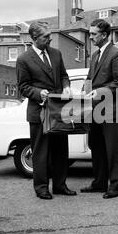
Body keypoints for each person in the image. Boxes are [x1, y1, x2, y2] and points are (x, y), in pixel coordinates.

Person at [16, 21, 76, 200]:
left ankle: (60, 185)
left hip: (58, 111)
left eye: (50, 36)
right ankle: (41, 188)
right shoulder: (24, 59)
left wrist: (66, 87)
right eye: (46, 37)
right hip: (39, 112)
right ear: (34, 38)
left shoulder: (56, 54)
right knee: (41, 152)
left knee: (60, 150)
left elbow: (64, 76)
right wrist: (38, 93)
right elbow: (23, 86)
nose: (50, 39)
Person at [80, 19, 118, 199]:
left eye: (93, 34)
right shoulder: (95, 55)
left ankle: (115, 187)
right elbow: (89, 79)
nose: (90, 37)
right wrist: (81, 95)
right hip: (95, 109)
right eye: (90, 33)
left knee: (113, 149)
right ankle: (99, 183)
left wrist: (99, 91)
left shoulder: (116, 54)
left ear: (105, 35)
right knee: (97, 147)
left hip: (112, 109)